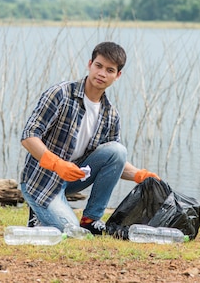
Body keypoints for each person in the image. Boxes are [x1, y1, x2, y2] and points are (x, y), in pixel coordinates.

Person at [19, 41, 159, 235]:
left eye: (109, 70)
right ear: (89, 64)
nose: (102, 73)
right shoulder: (60, 94)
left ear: (117, 76)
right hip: (41, 181)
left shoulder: (110, 114)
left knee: (118, 150)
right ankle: (37, 214)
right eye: (98, 66)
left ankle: (90, 219)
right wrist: (57, 164)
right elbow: (28, 136)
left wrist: (139, 175)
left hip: (72, 179)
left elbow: (114, 161)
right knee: (70, 231)